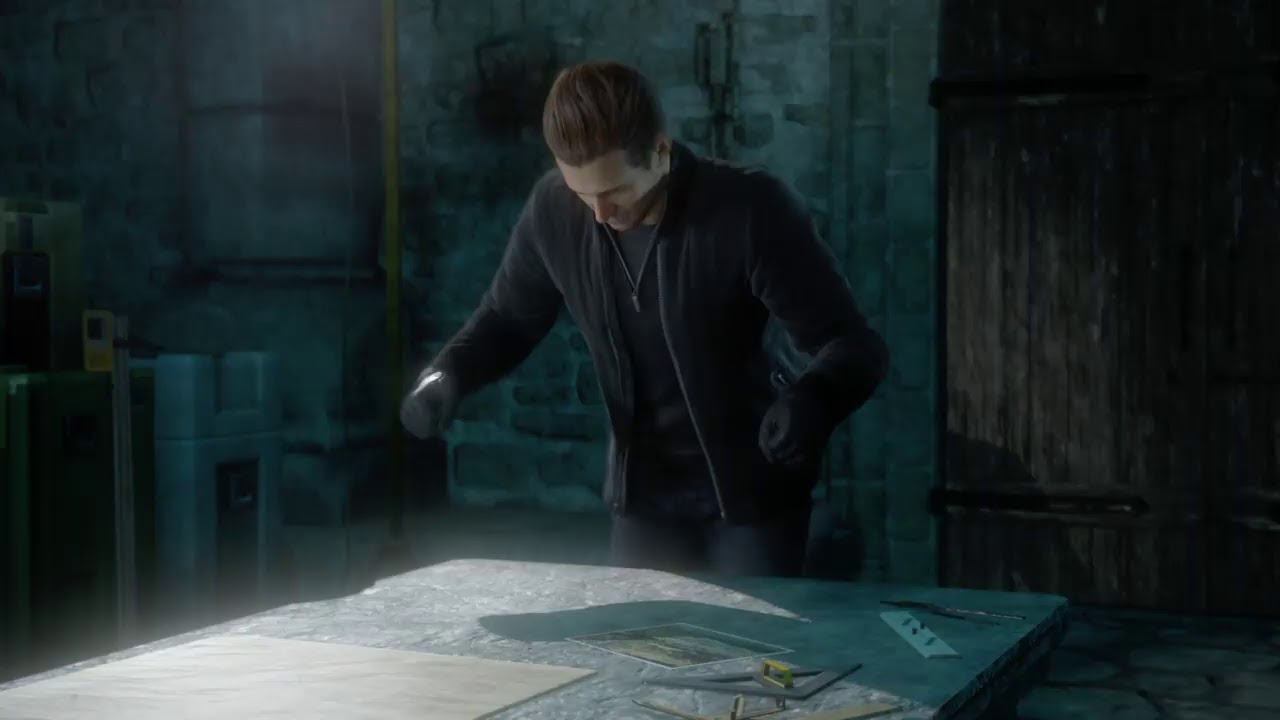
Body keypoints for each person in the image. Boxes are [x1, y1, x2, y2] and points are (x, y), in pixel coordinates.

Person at [400, 61, 888, 577]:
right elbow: (507, 318)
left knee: (751, 631)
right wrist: (447, 374)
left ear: (660, 151)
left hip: (753, 495)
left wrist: (814, 400)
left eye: (615, 192)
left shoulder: (750, 211)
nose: (600, 215)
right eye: (582, 194)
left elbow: (854, 344)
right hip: (644, 501)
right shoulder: (553, 209)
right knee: (638, 628)